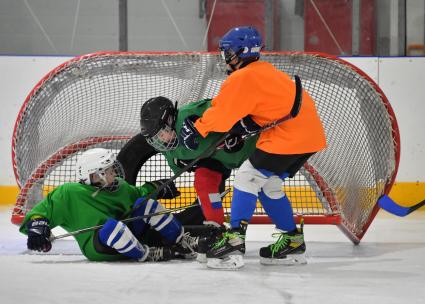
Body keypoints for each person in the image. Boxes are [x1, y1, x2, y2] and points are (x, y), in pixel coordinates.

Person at [179, 26, 327, 269]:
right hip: (308, 135)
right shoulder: (265, 72)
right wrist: (242, 129)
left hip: (288, 136)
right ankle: (292, 242)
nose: (225, 58)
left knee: (247, 178)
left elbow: (222, 114)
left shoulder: (242, 77)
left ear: (239, 53)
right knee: (269, 185)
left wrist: (198, 129)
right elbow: (263, 108)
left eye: (227, 52)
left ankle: (234, 241)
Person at [19, 148, 199, 262]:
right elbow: (38, 215)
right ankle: (147, 253)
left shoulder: (119, 186)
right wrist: (38, 229)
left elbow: (138, 195)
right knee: (111, 227)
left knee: (147, 205)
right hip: (99, 246)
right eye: (109, 170)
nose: (115, 173)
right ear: (95, 175)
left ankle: (182, 242)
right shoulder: (69, 194)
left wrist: (155, 188)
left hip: (129, 234)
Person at [139, 96, 258, 227]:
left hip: (257, 147)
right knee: (203, 181)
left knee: (265, 184)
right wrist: (192, 165)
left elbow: (225, 108)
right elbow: (178, 166)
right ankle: (216, 227)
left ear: (169, 120)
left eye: (161, 134)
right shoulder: (169, 148)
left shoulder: (190, 113)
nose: (161, 141)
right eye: (156, 138)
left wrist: (236, 130)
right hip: (219, 161)